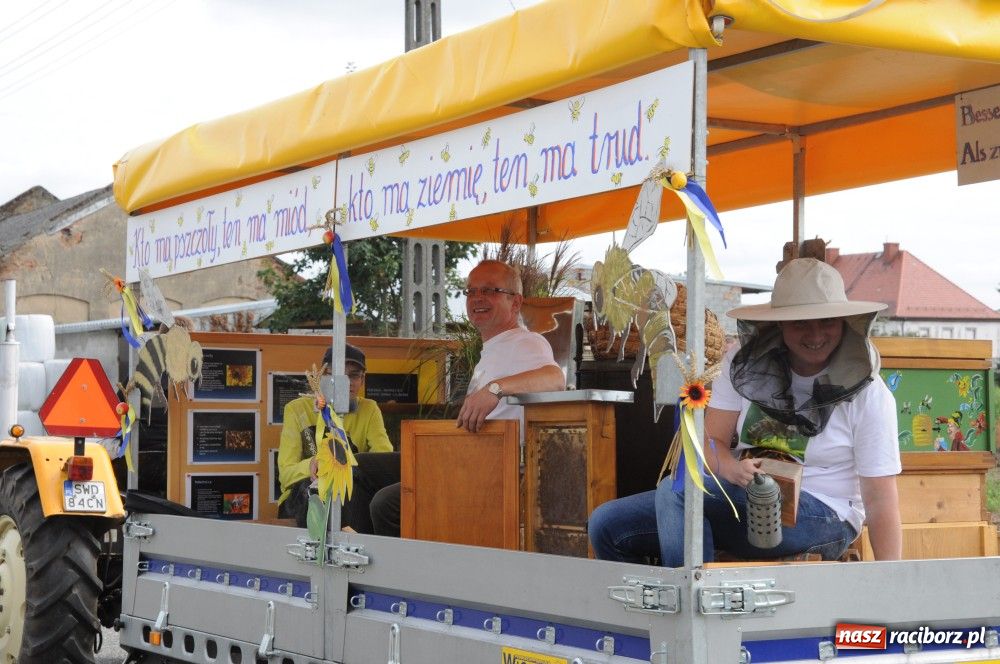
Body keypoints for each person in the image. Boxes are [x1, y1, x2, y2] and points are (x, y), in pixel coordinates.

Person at [588, 258, 902, 565]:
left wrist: (891, 583)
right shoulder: (744, 362)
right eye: (801, 322)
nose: (816, 334)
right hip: (742, 497)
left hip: (825, 513)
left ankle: (694, 603)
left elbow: (880, 498)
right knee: (607, 524)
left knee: (678, 492)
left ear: (845, 323)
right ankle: (657, 610)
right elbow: (711, 441)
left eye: (827, 322)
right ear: (779, 324)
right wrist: (729, 468)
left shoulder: (870, 394)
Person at [369, 259, 566, 536]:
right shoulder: (493, 348)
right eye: (471, 291)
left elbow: (555, 380)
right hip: (462, 455)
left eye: (489, 291)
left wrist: (495, 389)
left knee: (388, 503)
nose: (477, 299)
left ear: (516, 302)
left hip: (489, 467)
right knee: (358, 470)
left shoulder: (526, 342)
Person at [277, 343, 395, 528]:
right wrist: (315, 464)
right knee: (319, 489)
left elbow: (383, 460)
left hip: (350, 493)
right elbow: (286, 474)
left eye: (354, 375)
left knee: (356, 486)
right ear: (323, 377)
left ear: (362, 380)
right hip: (302, 495)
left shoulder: (369, 409)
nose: (346, 382)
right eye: (337, 375)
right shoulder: (296, 409)